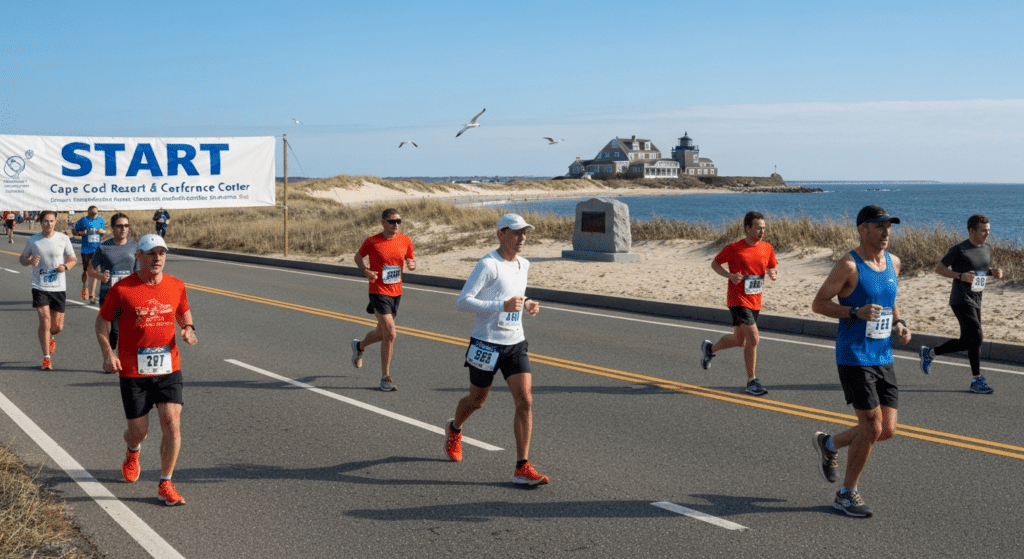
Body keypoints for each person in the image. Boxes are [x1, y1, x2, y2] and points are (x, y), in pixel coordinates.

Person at [810, 205, 912, 518]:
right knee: (871, 426)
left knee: (887, 430)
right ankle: (846, 493)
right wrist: (854, 312)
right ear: (862, 230)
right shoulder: (848, 266)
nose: (886, 233)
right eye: (879, 227)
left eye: (889, 227)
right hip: (854, 355)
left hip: (883, 355)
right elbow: (819, 304)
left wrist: (899, 323)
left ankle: (829, 444)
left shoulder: (894, 262)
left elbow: (890, 300)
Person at [444, 213, 548, 486]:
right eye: (516, 232)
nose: (522, 238)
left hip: (515, 342)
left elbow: (515, 292)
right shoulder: (487, 265)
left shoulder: (523, 265)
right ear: (501, 234)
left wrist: (526, 303)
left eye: (525, 232)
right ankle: (455, 428)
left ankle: (522, 466)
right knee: (477, 401)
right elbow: (463, 302)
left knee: (525, 401)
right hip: (486, 344)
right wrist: (500, 306)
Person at [95, 234, 197, 506]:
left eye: (161, 253)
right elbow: (102, 323)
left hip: (168, 367)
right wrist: (108, 353)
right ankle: (132, 450)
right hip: (133, 372)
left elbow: (183, 312)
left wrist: (188, 328)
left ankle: (165, 482)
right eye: (151, 253)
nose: (157, 259)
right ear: (137, 257)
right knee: (139, 431)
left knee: (172, 423)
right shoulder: (122, 289)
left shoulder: (176, 285)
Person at [919, 214, 1003, 393]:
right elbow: (939, 268)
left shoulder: (987, 248)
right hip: (961, 299)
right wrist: (960, 276)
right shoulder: (959, 249)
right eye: (983, 231)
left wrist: (992, 272)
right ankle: (977, 379)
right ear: (972, 230)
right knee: (977, 337)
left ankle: (930, 353)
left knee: (968, 340)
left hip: (977, 299)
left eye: (988, 230)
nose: (987, 234)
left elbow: (978, 271)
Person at [700, 211, 778, 396]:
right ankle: (752, 381)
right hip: (737, 299)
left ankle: (709, 349)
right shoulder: (734, 248)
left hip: (755, 300)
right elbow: (715, 264)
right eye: (758, 228)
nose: (761, 231)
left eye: (764, 228)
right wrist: (730, 276)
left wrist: (772, 273)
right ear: (747, 228)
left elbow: (772, 265)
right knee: (753, 338)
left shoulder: (767, 248)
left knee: (739, 341)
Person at [350, 208, 416, 391]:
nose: (396, 225)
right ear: (383, 223)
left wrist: (412, 263)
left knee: (382, 333)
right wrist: (365, 271)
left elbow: (410, 257)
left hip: (396, 292)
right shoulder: (372, 241)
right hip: (378, 291)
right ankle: (385, 378)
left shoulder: (405, 240)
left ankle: (360, 346)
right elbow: (357, 257)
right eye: (392, 221)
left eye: (399, 221)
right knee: (390, 333)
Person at [19, 210, 77, 370]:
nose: (48, 224)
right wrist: (30, 260)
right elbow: (22, 259)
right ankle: (46, 358)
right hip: (40, 286)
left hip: (58, 287)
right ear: (40, 222)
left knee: (57, 327)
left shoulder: (63, 239)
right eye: (45, 221)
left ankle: (49, 337)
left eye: (51, 221)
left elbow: (73, 259)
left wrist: (65, 266)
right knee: (45, 321)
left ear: (56, 221)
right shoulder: (33, 240)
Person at [88, 213, 139, 357]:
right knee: (115, 331)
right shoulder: (104, 247)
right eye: (120, 226)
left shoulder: (135, 247)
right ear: (112, 228)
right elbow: (89, 270)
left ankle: (125, 359)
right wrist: (100, 276)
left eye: (126, 226)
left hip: (129, 296)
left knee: (129, 330)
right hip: (109, 295)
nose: (123, 229)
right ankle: (110, 356)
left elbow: (138, 272)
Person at [74, 205, 106, 303]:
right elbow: (74, 231)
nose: (94, 215)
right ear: (88, 212)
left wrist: (102, 232)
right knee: (87, 272)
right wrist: (81, 233)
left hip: (97, 250)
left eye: (95, 213)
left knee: (96, 272)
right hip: (86, 250)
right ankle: (84, 287)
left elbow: (104, 232)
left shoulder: (101, 220)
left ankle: (91, 295)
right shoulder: (83, 220)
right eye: (92, 213)